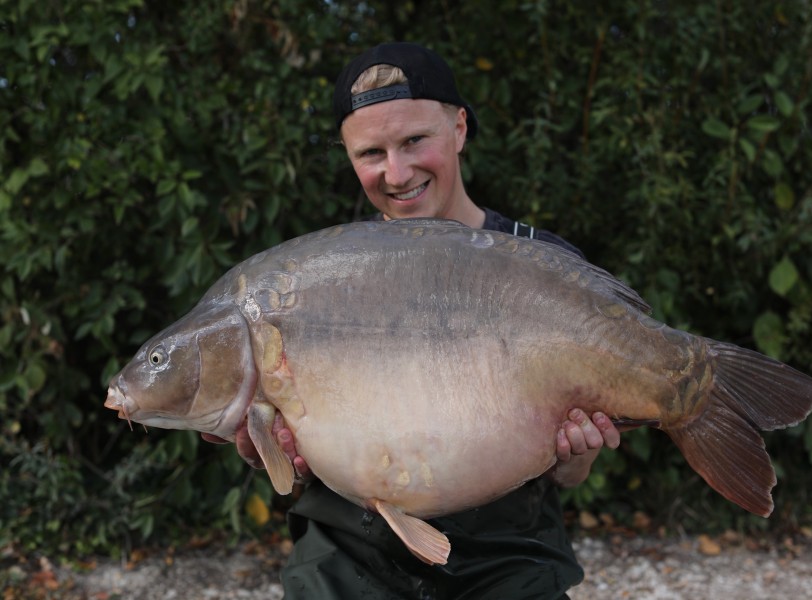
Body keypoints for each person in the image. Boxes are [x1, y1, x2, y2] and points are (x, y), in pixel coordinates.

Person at [204, 42, 620, 599]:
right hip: (349, 554)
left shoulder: (541, 265)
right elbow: (296, 472)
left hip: (509, 556)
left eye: (414, 141)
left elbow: (571, 476)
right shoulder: (318, 278)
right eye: (371, 153)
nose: (396, 173)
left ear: (460, 129)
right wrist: (284, 458)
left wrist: (576, 457)